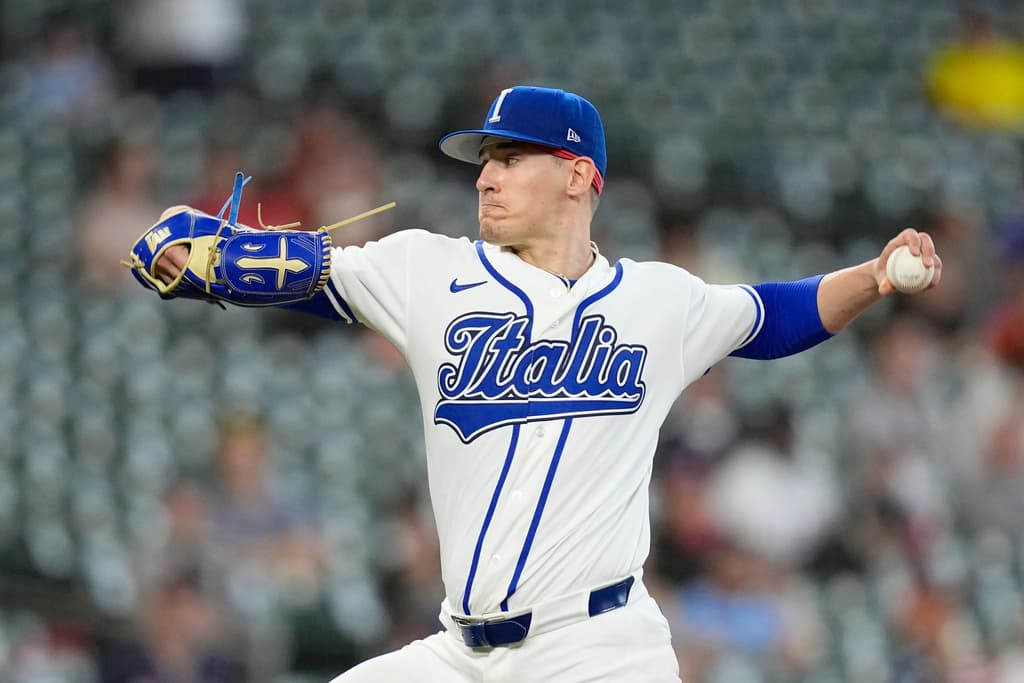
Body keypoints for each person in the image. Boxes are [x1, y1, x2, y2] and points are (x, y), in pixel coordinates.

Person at [136, 85, 942, 682]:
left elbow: (775, 315)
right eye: (485, 161)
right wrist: (199, 256)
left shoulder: (657, 301)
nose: (486, 177)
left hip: (598, 649)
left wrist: (874, 276)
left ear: (577, 175)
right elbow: (306, 275)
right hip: (462, 649)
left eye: (511, 158)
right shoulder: (425, 269)